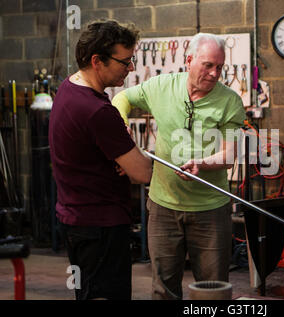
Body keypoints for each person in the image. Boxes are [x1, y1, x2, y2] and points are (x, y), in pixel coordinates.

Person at [112, 33, 246, 300]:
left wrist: (203, 164)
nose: (214, 73)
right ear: (188, 60)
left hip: (210, 210)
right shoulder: (161, 86)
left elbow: (230, 155)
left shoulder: (230, 101)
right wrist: (120, 124)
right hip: (164, 207)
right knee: (164, 290)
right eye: (208, 65)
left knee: (213, 290)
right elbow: (122, 98)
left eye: (219, 67)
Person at [49, 20, 153, 300]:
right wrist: (128, 154)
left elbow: (90, 148)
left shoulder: (68, 89)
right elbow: (143, 172)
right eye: (125, 62)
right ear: (97, 61)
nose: (130, 68)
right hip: (101, 229)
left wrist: (117, 151)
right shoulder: (98, 111)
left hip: (75, 221)